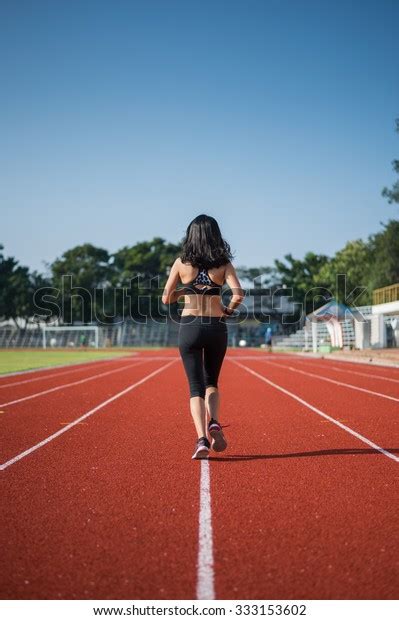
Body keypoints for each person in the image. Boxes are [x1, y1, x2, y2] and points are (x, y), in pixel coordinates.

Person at [162, 214, 244, 459]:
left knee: (195, 387)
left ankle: (201, 440)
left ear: (191, 235)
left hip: (190, 327)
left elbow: (166, 298)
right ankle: (215, 421)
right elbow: (238, 294)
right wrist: (227, 311)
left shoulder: (181, 263)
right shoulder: (224, 263)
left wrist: (185, 289)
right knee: (212, 382)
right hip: (216, 326)